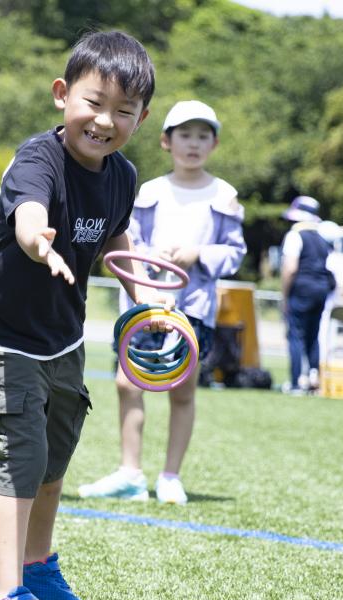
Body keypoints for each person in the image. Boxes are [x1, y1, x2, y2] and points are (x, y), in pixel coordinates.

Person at [0, 30, 169, 600]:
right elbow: (27, 215)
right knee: (18, 457)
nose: (105, 121)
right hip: (3, 331)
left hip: (61, 334)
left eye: (123, 111)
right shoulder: (37, 161)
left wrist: (145, 299)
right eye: (94, 102)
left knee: (54, 454)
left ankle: (36, 565)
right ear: (62, 95)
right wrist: (38, 242)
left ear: (142, 117)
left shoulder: (123, 175)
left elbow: (114, 240)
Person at [78, 100, 246, 506]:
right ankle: (130, 472)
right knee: (127, 382)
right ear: (165, 141)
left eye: (202, 135)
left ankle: (170, 476)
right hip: (144, 304)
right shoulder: (149, 190)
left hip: (193, 308)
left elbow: (235, 252)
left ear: (215, 143)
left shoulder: (224, 195)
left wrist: (198, 253)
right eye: (184, 135)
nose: (193, 144)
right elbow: (126, 240)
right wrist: (151, 261)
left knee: (183, 389)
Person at [279, 195, 336, 394]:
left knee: (295, 335)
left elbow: (290, 268)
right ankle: (313, 380)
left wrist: (284, 295)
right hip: (321, 291)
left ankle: (295, 383)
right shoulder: (322, 239)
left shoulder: (295, 235)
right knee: (313, 336)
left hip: (301, 289)